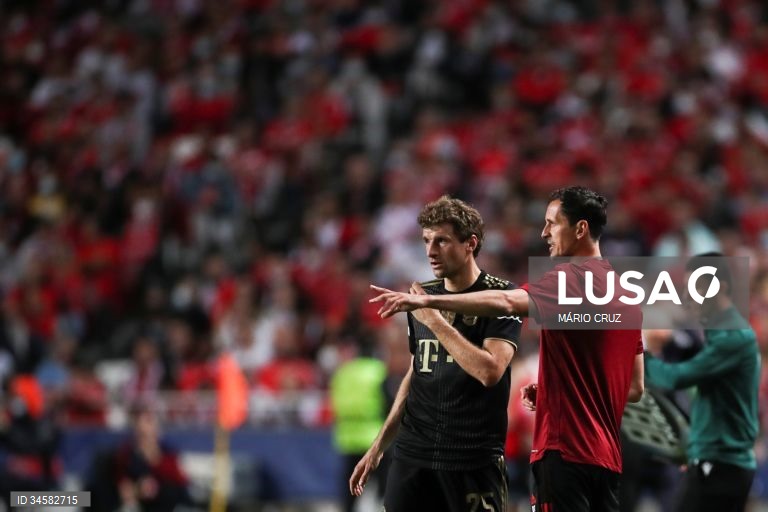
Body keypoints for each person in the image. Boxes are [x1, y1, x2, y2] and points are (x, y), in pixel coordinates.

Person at [371, 186, 644, 512]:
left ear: (581, 228)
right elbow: (634, 387)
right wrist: (554, 392)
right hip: (607, 459)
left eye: (552, 223)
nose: (544, 232)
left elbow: (505, 301)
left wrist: (428, 302)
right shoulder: (627, 294)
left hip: (564, 454)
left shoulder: (568, 280)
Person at [350, 195, 522, 512]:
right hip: (414, 454)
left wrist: (433, 318)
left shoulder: (502, 297)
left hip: (472, 458)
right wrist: (379, 446)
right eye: (427, 240)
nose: (430, 251)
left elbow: (490, 372)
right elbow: (417, 372)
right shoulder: (424, 294)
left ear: (470, 243)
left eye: (441, 241)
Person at [644, 252, 759, 512]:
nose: (688, 298)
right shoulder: (721, 333)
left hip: (721, 465)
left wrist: (643, 355)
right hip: (716, 460)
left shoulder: (733, 337)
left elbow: (677, 378)